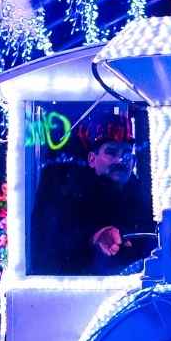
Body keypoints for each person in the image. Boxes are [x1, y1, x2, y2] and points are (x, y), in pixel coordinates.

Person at [28, 107, 151, 276]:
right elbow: (53, 241)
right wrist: (96, 236)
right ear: (92, 159)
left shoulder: (142, 197)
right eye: (111, 152)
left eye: (126, 153)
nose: (120, 160)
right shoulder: (70, 194)